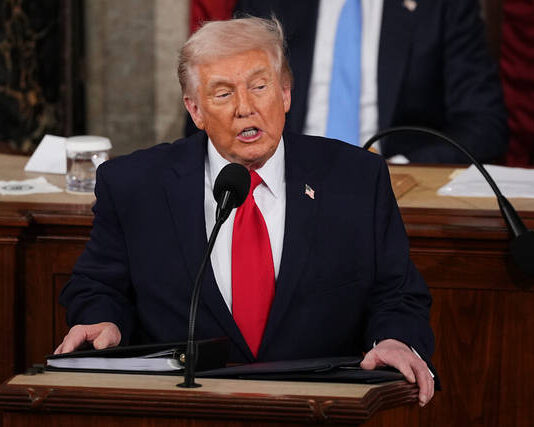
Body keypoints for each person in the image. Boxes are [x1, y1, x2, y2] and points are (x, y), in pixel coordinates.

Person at [56, 17, 436, 406]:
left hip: (319, 407)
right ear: (195, 110)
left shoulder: (356, 179)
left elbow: (398, 292)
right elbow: (98, 284)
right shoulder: (135, 185)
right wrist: (102, 319)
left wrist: (395, 339)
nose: (245, 108)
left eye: (259, 86)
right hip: (184, 407)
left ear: (285, 93)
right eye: (222, 94)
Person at [230, 0, 508, 164]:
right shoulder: (268, 2)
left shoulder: (442, 6)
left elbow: (483, 125)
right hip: (282, 183)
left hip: (397, 196)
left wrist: (402, 171)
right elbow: (218, 105)